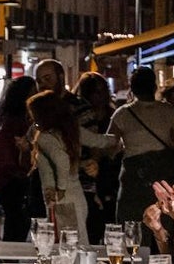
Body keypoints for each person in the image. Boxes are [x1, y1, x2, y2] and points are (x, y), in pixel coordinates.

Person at [29, 89, 117, 243]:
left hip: (60, 197)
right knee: (79, 241)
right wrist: (120, 139)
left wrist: (61, 189)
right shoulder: (71, 130)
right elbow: (99, 140)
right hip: (77, 195)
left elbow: (62, 160)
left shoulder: (45, 137)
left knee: (65, 246)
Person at [108, 66, 174, 230]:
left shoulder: (123, 113)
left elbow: (109, 145)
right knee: (165, 217)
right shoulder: (167, 110)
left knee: (132, 220)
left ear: (132, 88)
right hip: (163, 172)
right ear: (154, 86)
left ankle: (133, 252)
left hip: (134, 175)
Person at [0, 76, 38, 242]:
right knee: (17, 225)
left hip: (9, 180)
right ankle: (8, 261)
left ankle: (7, 261)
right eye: (33, 93)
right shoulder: (17, 122)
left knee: (16, 225)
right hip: (14, 179)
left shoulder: (7, 118)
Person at [77, 72, 120, 243]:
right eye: (96, 92)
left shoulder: (113, 113)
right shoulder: (82, 116)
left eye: (104, 91)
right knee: (92, 223)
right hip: (87, 173)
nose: (101, 96)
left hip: (110, 172)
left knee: (110, 220)